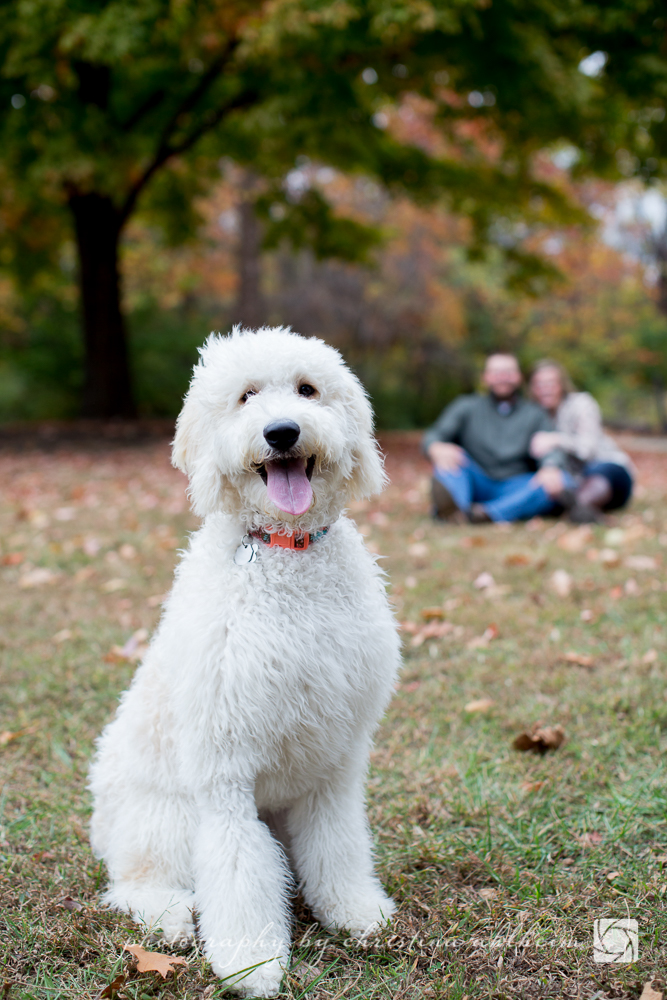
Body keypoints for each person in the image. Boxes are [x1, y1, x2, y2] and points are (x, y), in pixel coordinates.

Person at [423, 353, 569, 523]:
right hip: (475, 480)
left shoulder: (535, 413)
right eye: (496, 372)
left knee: (562, 480)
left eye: (508, 372)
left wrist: (550, 467)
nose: (502, 378)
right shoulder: (465, 406)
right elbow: (435, 434)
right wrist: (435, 447)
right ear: (485, 377)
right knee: (449, 458)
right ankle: (455, 509)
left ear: (518, 377)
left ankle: (486, 514)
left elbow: (550, 449)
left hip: (515, 486)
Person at [529, 360, 634, 523]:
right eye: (539, 384)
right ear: (533, 389)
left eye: (550, 383)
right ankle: (582, 510)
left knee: (596, 472)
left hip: (609, 472)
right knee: (565, 484)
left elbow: (587, 449)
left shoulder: (581, 404)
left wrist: (555, 439)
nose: (545, 389)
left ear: (562, 385)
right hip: (572, 481)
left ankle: (578, 504)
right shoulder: (533, 415)